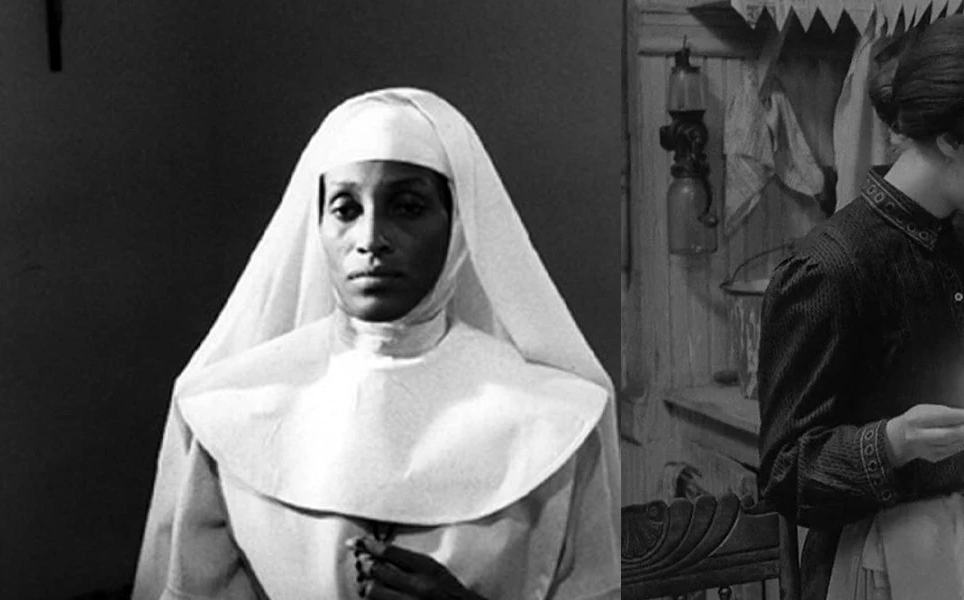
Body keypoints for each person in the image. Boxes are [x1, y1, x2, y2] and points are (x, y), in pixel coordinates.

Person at [131, 88, 621, 600]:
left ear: (458, 224)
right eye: (345, 208)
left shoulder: (557, 421)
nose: (370, 238)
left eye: (407, 207)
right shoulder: (227, 409)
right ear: (318, 225)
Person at [755, 15, 964, 600]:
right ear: (951, 140)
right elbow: (785, 476)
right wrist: (890, 442)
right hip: (875, 570)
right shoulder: (830, 270)